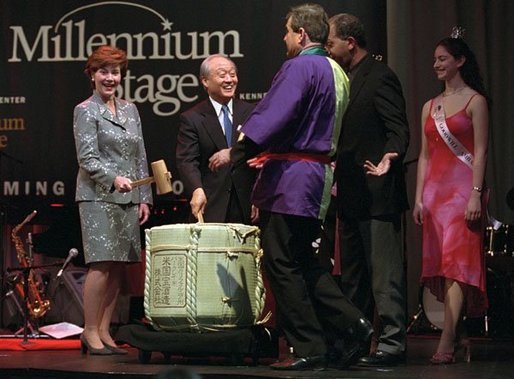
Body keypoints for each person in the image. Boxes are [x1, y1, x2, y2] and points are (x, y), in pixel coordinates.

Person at [215, 4, 373, 371]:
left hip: (293, 179)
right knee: (302, 260)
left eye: (287, 32)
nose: (284, 39)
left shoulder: (300, 66)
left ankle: (309, 345)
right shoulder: (336, 69)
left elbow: (275, 115)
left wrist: (241, 152)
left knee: (282, 260)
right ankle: (353, 324)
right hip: (314, 175)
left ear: (301, 34)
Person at [326, 13, 410, 366]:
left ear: (351, 42)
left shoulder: (380, 77)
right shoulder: (343, 79)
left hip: (377, 192)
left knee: (384, 275)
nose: (327, 50)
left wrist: (391, 155)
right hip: (350, 194)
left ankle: (392, 342)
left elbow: (398, 129)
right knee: (354, 278)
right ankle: (357, 341)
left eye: (330, 43)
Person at [413, 28, 489, 364]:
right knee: (443, 268)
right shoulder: (430, 106)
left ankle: (446, 338)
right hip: (435, 196)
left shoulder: (476, 102)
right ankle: (459, 337)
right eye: (434, 60)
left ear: (460, 61)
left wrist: (475, 194)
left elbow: (483, 151)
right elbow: (425, 155)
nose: (436, 64)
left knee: (458, 266)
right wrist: (419, 198)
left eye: (443, 58)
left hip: (462, 194)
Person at [73, 45, 153, 355]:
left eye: (115, 72)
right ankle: (89, 331)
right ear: (92, 75)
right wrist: (112, 179)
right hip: (97, 197)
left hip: (129, 198)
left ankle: (105, 331)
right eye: (103, 71)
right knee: (101, 265)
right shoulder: (85, 110)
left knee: (119, 267)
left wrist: (144, 197)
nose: (110, 77)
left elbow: (140, 154)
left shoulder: (130, 109)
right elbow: (87, 158)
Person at [176, 54, 257, 224]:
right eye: (222, 75)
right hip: (211, 203)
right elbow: (187, 161)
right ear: (205, 81)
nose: (229, 80)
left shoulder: (251, 112)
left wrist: (258, 195)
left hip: (246, 204)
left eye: (232, 74)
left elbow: (258, 154)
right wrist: (197, 189)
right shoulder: (193, 118)